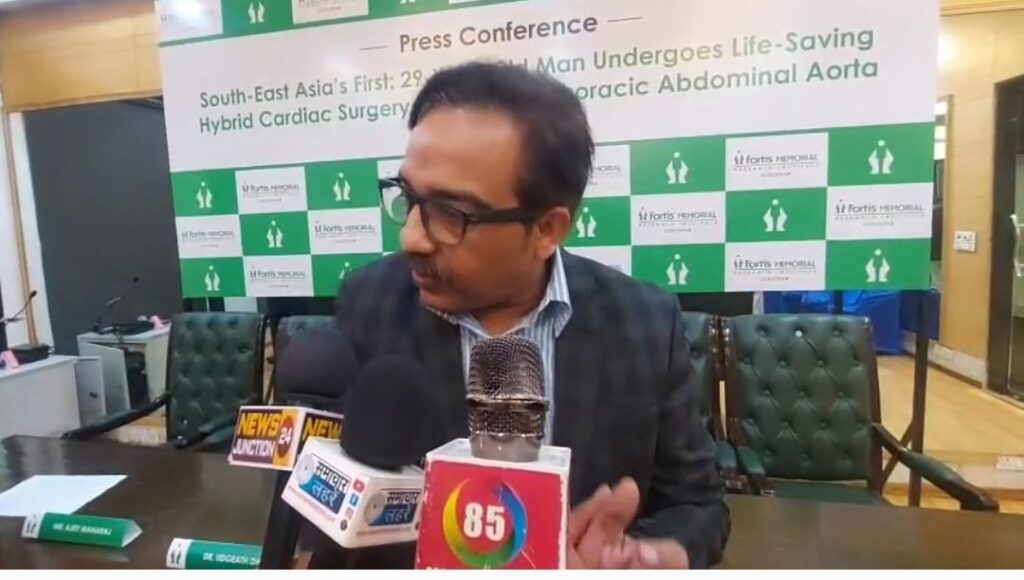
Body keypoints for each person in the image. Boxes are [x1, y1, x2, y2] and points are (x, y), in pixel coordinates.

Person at [313, 61, 729, 569]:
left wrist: (648, 557)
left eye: (450, 213)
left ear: (547, 229)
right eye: (409, 198)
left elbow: (698, 505)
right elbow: (328, 498)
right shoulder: (369, 304)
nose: (411, 237)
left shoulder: (644, 323)